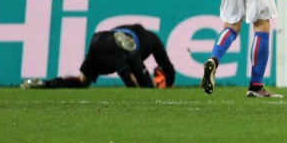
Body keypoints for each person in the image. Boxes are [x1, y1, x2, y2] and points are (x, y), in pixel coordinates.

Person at [20, 24, 175, 89]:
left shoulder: (139, 33)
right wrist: (167, 84)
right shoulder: (153, 40)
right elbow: (168, 67)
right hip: (120, 48)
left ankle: (44, 84)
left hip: (99, 41)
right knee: (144, 88)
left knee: (82, 82)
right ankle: (123, 43)